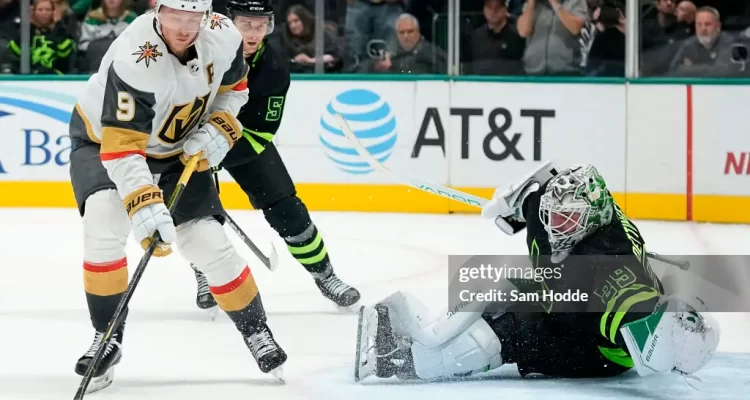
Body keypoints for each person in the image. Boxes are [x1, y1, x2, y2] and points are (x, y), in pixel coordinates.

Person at [68, 0, 287, 393]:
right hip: (105, 144)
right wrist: (144, 203)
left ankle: (257, 331)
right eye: (174, 18)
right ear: (157, 11)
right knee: (104, 223)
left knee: (207, 243)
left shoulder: (223, 36)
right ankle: (107, 337)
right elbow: (122, 149)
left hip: (174, 152)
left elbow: (235, 91)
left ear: (206, 16)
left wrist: (221, 126)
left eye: (192, 19)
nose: (183, 29)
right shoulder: (136, 56)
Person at [354, 162, 719, 382]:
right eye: (554, 217)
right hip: (580, 291)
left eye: (565, 220)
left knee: (509, 326)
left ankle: (399, 359)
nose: (556, 226)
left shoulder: (607, 274)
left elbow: (638, 320)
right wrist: (527, 202)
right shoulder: (600, 210)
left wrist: (675, 327)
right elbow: (550, 178)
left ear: (588, 220)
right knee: (502, 290)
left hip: (597, 350)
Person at [189, 0, 361, 315]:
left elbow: (262, 131)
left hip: (243, 140)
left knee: (287, 208)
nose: (253, 34)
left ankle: (325, 274)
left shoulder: (274, 68)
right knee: (194, 212)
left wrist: (221, 148)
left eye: (260, 26)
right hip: (192, 140)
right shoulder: (199, 51)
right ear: (229, 22)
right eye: (245, 24)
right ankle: (204, 272)